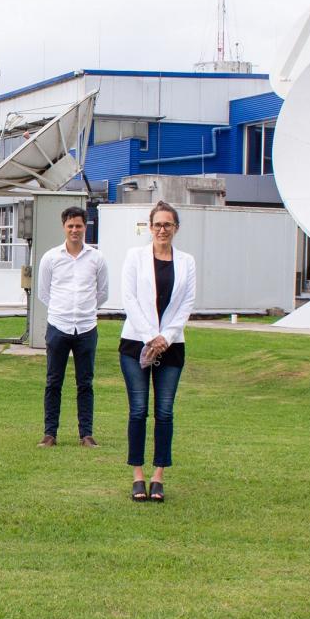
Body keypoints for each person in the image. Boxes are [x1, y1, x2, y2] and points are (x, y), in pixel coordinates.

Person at [119, 201, 195, 502]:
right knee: (138, 410)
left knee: (164, 412)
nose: (162, 229)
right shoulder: (134, 257)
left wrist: (167, 336)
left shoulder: (186, 261)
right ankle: (137, 475)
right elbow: (130, 299)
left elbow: (187, 302)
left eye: (168, 224)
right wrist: (151, 336)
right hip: (136, 342)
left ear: (175, 228)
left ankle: (158, 475)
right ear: (149, 228)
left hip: (172, 346)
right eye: (157, 224)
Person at [36, 204, 110, 448]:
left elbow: (102, 293)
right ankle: (50, 434)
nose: (75, 230)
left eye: (79, 225)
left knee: (85, 383)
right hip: (59, 326)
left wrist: (84, 310)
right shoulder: (51, 258)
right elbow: (43, 292)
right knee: (53, 382)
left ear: (85, 226)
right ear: (64, 227)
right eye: (70, 226)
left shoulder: (96, 259)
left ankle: (86, 434)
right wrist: (63, 310)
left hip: (86, 328)